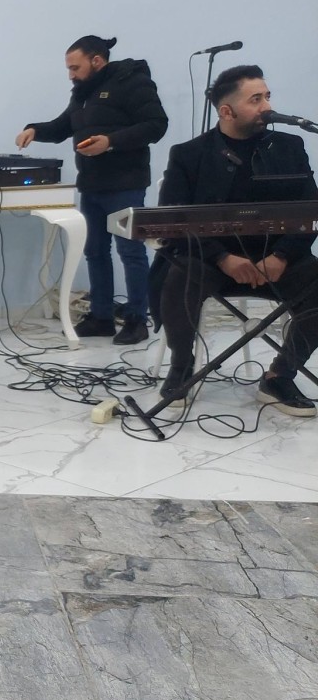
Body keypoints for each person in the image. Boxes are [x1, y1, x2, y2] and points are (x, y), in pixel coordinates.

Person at [155, 65, 318, 415]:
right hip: (211, 260)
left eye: (267, 97)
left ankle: (280, 375)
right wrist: (223, 258)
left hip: (277, 260)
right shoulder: (189, 155)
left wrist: (282, 256)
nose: (267, 107)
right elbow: (174, 223)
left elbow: (311, 211)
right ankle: (181, 366)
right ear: (226, 111)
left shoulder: (289, 146)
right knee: (179, 276)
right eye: (255, 99)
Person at [17, 35, 168, 344]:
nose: (71, 75)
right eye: (68, 69)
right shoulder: (83, 93)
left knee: (130, 252)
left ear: (96, 61)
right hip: (92, 185)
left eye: (75, 68)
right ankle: (101, 317)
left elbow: (156, 125)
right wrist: (34, 130)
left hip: (125, 184)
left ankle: (137, 320)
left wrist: (110, 142)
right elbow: (63, 126)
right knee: (95, 252)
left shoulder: (133, 82)